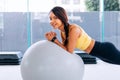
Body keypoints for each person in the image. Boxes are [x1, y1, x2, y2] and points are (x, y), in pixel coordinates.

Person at [45, 6, 120, 65]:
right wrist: (53, 40)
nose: (52, 21)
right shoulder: (63, 32)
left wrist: (54, 39)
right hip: (98, 54)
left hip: (105, 50)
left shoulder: (73, 29)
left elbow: (69, 51)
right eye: (50, 18)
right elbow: (64, 49)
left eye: (55, 18)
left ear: (62, 17)